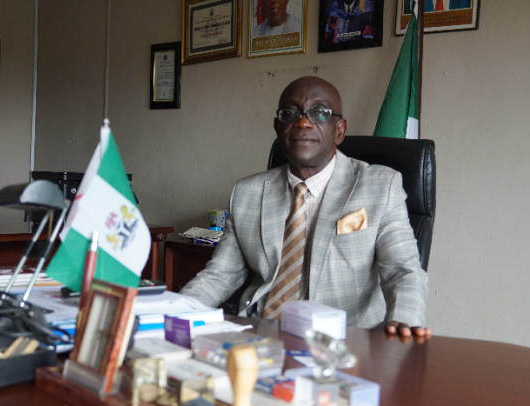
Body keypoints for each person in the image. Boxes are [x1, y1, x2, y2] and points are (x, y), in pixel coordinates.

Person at [181, 76, 431, 338]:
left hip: (344, 342)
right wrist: (172, 311)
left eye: (319, 113)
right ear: (278, 127)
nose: (302, 122)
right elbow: (220, 276)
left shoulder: (380, 186)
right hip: (260, 334)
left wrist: (405, 321)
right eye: (290, 113)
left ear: (340, 130)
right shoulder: (247, 193)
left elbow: (402, 271)